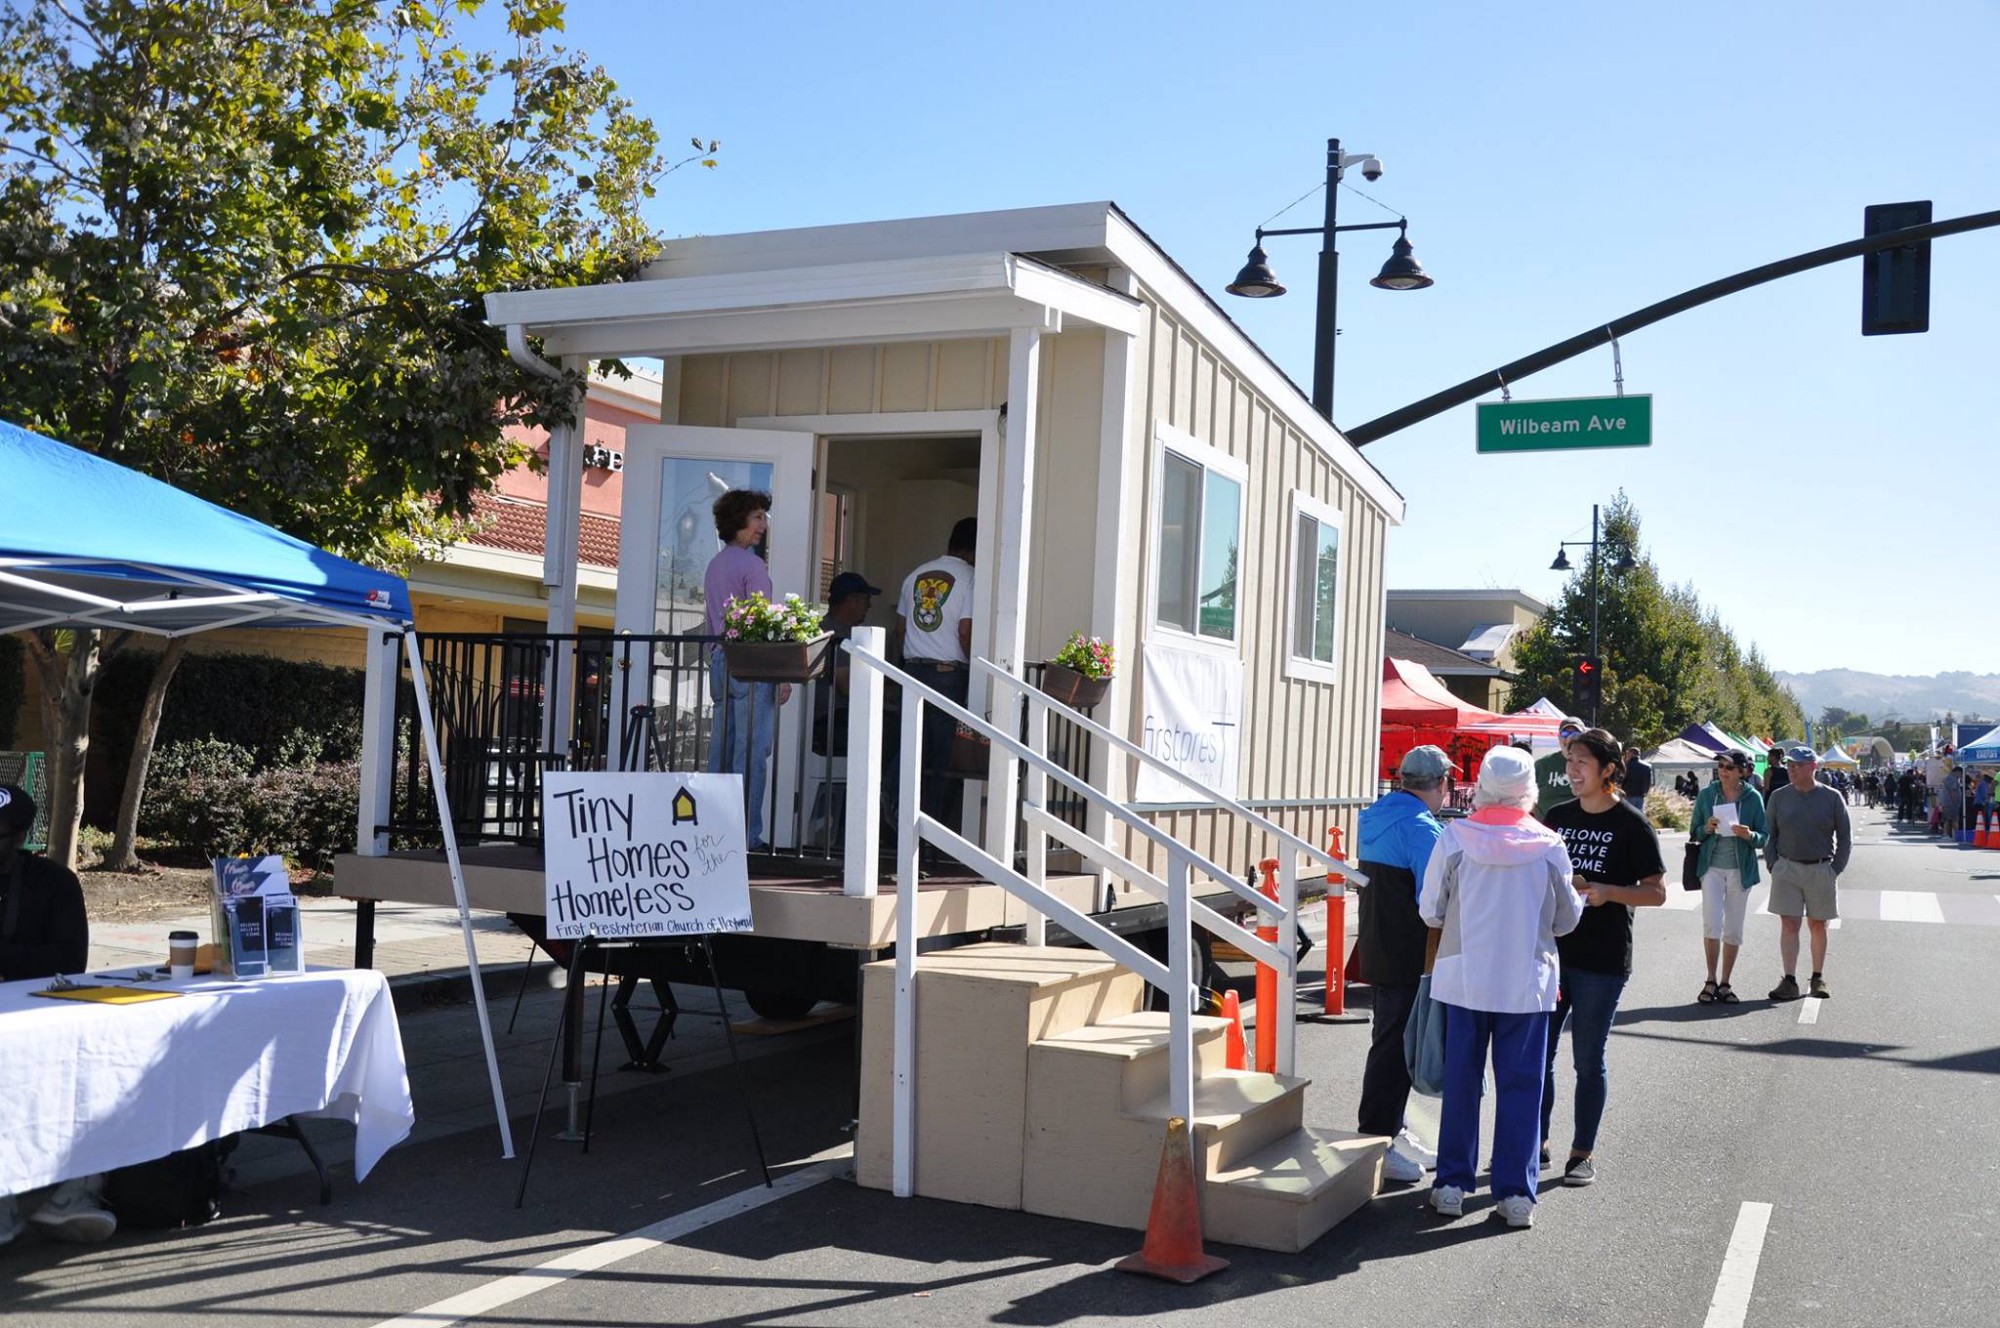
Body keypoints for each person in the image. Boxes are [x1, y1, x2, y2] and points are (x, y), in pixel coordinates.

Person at [1417, 747, 1584, 1228]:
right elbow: (1566, 920)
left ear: (1482, 787)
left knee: (1463, 1085)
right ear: (1530, 791)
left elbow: (1431, 909)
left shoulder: (1455, 837)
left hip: (1464, 980)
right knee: (1522, 1087)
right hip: (1526, 984)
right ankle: (1516, 1195)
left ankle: (1451, 1184)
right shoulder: (1549, 845)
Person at [1539, 728, 1666, 1187]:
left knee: (1588, 1060)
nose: (1571, 771)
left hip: (1602, 960)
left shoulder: (1632, 824)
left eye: (1581, 763)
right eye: (1569, 761)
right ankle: (1538, 1144)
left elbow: (1656, 893)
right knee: (1539, 1056)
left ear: (1608, 770)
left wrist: (1607, 893)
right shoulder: (1556, 817)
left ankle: (1581, 1152)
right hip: (1550, 955)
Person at [0, 783, 117, 1246]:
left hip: (39, 1018)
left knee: (98, 1062)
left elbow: (69, 961)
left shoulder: (54, 883)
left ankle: (75, 1190)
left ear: (22, 836)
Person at [1353, 745, 1451, 1186]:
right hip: (1408, 952)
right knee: (1396, 1049)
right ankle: (1378, 1139)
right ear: (1442, 785)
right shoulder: (1421, 830)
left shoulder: (1374, 814)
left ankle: (1391, 1130)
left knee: (1390, 1043)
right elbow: (1434, 903)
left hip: (1377, 943)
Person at [705, 488, 791, 849]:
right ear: (739, 522)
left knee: (722, 750)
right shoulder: (752, 565)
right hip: (751, 662)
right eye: (757, 517)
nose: (764, 524)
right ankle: (744, 837)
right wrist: (783, 676)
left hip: (720, 660)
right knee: (753, 751)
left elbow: (713, 619)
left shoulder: (716, 564)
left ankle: (711, 829)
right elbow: (764, 625)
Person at [895, 518, 976, 831]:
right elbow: (965, 630)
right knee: (944, 757)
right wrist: (976, 671)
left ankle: (897, 811)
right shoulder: (970, 577)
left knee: (911, 748)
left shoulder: (916, 574)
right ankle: (932, 829)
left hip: (913, 670)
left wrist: (901, 666)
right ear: (974, 548)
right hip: (948, 674)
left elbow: (900, 629)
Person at [1763, 745, 1852, 1001]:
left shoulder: (1832, 797)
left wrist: (1835, 869)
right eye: (1790, 765)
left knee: (1817, 924)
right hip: (1787, 868)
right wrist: (1773, 865)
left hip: (1820, 868)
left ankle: (1817, 977)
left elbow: (1844, 837)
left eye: (1798, 765)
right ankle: (1789, 980)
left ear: (1813, 767)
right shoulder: (1779, 797)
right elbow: (1770, 834)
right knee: (1789, 923)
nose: (1792, 769)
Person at [1689, 750, 1766, 1004]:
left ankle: (1725, 983)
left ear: (1743, 771)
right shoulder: (1707, 794)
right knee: (1712, 923)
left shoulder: (1753, 798)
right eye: (1721, 766)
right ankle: (1710, 980)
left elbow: (1764, 836)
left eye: (1730, 767)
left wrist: (1749, 835)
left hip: (1740, 870)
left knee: (1733, 929)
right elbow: (1695, 833)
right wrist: (1707, 828)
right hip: (1711, 867)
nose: (1723, 771)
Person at [1533, 716, 1587, 820]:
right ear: (1559, 737)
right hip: (1546, 827)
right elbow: (1527, 796)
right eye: (1565, 734)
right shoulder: (1543, 764)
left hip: (1578, 827)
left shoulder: (1590, 764)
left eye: (1575, 734)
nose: (1569, 738)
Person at [1621, 744, 1653, 814]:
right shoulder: (1647, 766)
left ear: (1632, 753)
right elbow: (1649, 781)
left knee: (1628, 814)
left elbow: (1624, 778)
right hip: (1640, 794)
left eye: (1628, 753)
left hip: (1628, 794)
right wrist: (1646, 792)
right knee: (1639, 814)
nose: (1627, 755)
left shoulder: (1628, 765)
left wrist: (1621, 789)